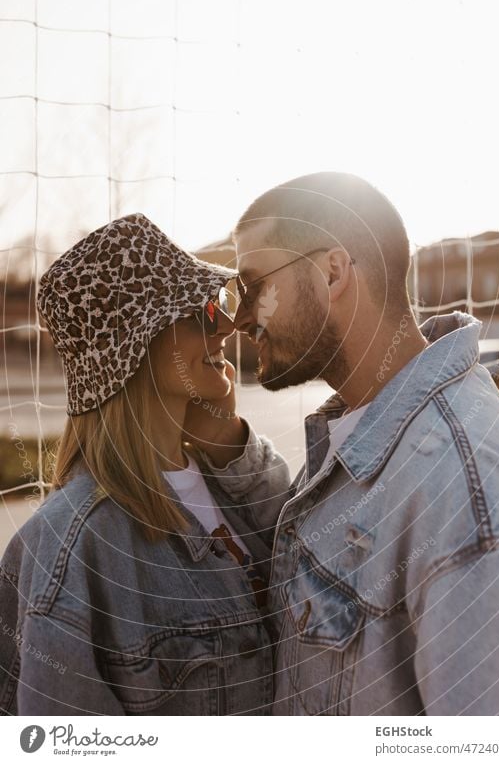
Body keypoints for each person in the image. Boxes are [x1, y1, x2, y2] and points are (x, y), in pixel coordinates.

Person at [231, 171, 499, 715]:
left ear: (332, 271)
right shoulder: (360, 429)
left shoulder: (465, 493)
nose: (241, 317)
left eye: (252, 287)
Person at [0, 212, 290, 716]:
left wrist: (229, 441)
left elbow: (298, 543)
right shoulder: (72, 548)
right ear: (135, 347)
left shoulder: (234, 483)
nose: (225, 323)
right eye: (199, 312)